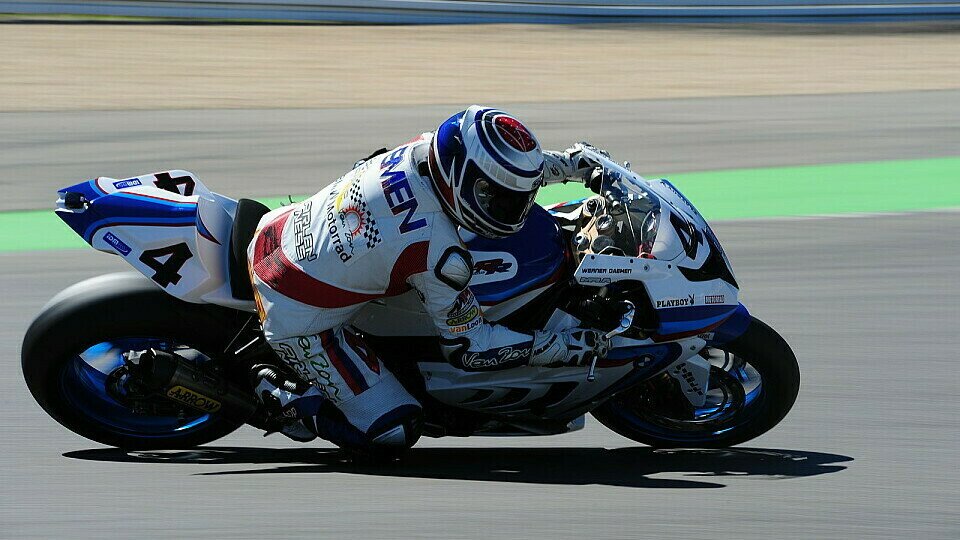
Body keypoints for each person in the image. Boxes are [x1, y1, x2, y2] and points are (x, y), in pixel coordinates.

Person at [248, 105, 608, 453]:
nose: (513, 208)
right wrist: (568, 346)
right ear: (465, 180)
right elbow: (471, 349)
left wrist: (576, 165)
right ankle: (287, 399)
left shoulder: (424, 149)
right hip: (294, 312)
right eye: (499, 200)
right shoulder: (438, 253)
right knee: (394, 430)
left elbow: (497, 170)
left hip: (279, 229)